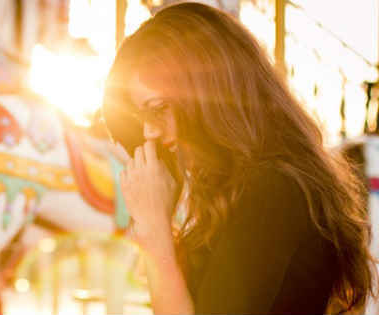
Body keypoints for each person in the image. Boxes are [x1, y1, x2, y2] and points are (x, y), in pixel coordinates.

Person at [102, 3, 376, 314]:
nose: (149, 131)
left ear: (207, 91)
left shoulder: (272, 190)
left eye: (159, 108)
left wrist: (155, 234)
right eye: (141, 116)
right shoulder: (242, 190)